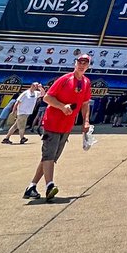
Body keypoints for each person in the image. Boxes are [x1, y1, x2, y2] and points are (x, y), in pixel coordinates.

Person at [22, 55, 92, 201]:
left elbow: (85, 104)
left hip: (66, 126)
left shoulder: (86, 82)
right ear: (75, 63)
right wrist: (61, 106)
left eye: (85, 63)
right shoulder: (64, 79)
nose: (81, 65)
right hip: (52, 123)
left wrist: (86, 121)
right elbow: (47, 98)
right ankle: (50, 186)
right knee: (49, 155)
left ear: (88, 66)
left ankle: (31, 186)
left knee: (50, 157)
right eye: (80, 62)